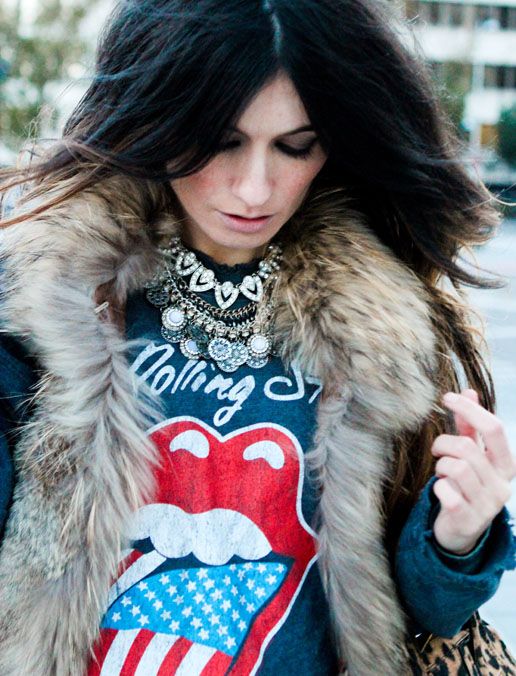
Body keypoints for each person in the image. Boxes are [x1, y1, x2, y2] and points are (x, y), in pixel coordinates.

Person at [0, 1, 514, 674]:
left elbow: (419, 619)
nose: (254, 187)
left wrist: (457, 537)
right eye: (221, 141)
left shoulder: (380, 327)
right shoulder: (48, 297)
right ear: (159, 120)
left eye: (295, 146)